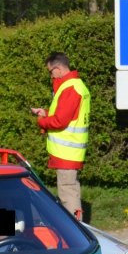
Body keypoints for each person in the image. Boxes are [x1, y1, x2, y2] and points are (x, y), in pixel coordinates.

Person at [29, 51, 90, 219]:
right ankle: (79, 228)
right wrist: (46, 112)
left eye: (51, 72)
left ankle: (76, 231)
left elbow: (60, 121)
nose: (51, 76)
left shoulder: (70, 88)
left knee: (68, 192)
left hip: (67, 152)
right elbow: (66, 115)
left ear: (58, 68)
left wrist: (42, 121)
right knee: (71, 189)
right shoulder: (75, 86)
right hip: (70, 151)